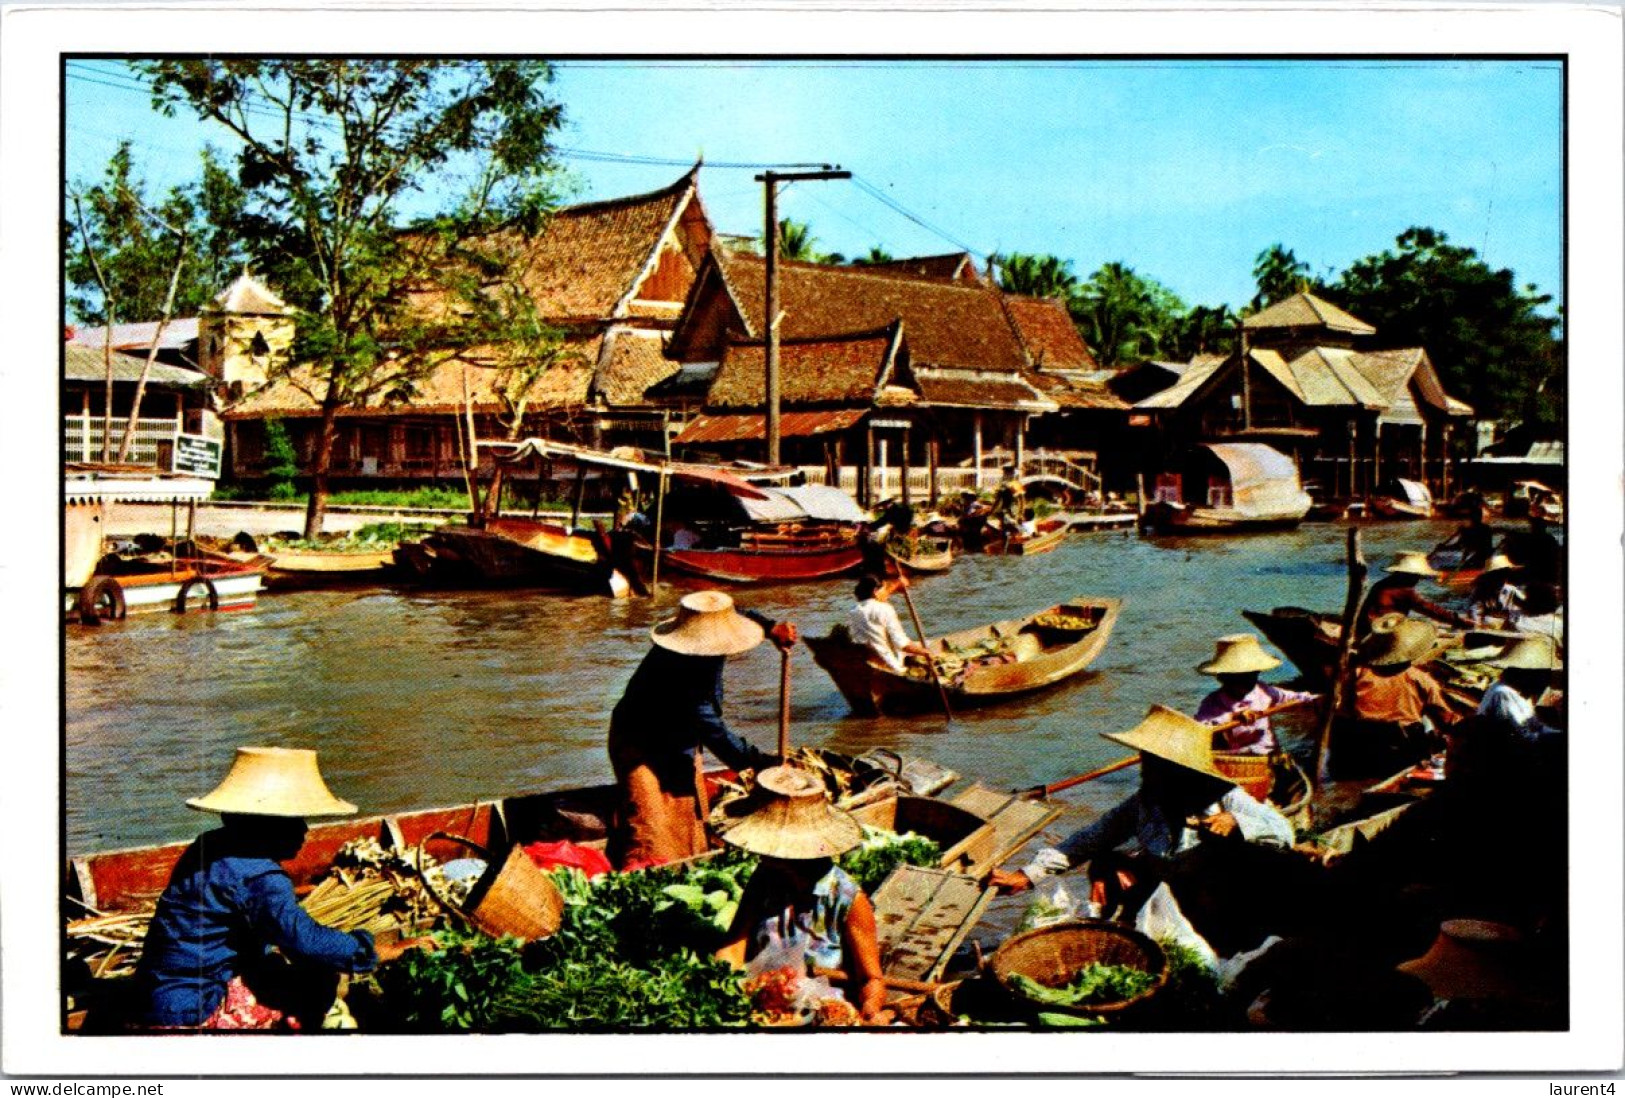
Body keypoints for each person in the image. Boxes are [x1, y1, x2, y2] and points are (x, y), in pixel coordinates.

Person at [132, 746, 435, 1030]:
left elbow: (273, 929)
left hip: (153, 990)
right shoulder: (262, 877)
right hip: (188, 1010)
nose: (304, 830)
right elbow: (304, 941)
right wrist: (379, 950)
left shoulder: (208, 844)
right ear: (263, 823)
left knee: (280, 964)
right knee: (320, 981)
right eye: (294, 820)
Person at [990, 705, 1295, 902]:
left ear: (1180, 768)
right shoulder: (1146, 801)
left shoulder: (1223, 796)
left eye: (1153, 763)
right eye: (1146, 761)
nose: (1144, 770)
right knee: (1104, 865)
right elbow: (1089, 839)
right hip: (1167, 892)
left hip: (1217, 898)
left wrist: (1235, 822)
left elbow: (1283, 831)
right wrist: (1029, 874)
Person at [606, 590, 797, 869]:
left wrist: (770, 628)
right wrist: (758, 761)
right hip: (639, 744)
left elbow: (741, 615)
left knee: (688, 819)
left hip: (678, 738)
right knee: (651, 829)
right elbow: (712, 730)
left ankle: (689, 859)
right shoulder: (686, 666)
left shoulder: (710, 637)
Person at [715, 765, 888, 1025]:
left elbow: (870, 978)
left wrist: (870, 1010)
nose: (762, 854)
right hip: (766, 1003)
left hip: (822, 1013)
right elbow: (734, 945)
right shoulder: (764, 878)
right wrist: (723, 985)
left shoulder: (847, 898)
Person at [1335, 615, 1462, 778]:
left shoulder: (1356, 674)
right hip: (1401, 751)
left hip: (1361, 750)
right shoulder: (1421, 679)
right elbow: (1446, 722)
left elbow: (1344, 712)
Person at [1192, 634, 1318, 756]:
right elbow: (1199, 729)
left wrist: (1316, 700)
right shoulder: (1212, 702)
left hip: (1267, 753)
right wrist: (1233, 717)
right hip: (1233, 757)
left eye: (1250, 675)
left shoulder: (1263, 691)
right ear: (1222, 677)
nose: (1245, 680)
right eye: (1236, 676)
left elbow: (1295, 699)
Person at [1360, 552, 1474, 634]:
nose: (1418, 579)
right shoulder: (1403, 590)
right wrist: (1457, 620)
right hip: (1379, 631)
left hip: (1368, 627)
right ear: (1409, 575)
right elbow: (1429, 609)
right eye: (1417, 576)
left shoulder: (1383, 584)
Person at [847, 573, 931, 672]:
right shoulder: (885, 609)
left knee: (920, 644)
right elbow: (902, 644)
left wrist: (898, 583)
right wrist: (926, 653)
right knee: (926, 646)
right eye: (884, 588)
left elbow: (877, 599)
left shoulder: (852, 611)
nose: (886, 593)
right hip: (891, 666)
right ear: (875, 591)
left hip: (868, 663)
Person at [1467, 554, 1525, 624]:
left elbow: (1520, 614)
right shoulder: (1479, 593)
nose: (1502, 578)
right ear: (1489, 577)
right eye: (1498, 574)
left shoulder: (1512, 591)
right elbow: (1475, 616)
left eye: (1504, 574)